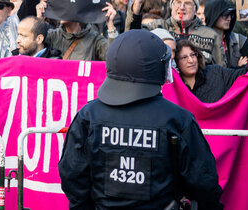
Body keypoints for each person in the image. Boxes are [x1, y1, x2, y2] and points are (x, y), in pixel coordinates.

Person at [59, 30, 223, 209]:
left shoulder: (88, 115)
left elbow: (72, 175)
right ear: (158, 68)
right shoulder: (178, 119)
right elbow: (203, 182)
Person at [127, 0, 225, 66]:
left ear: (195, 9)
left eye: (187, 3)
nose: (182, 7)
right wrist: (138, 4)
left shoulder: (211, 35)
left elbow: (220, 70)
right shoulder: (156, 27)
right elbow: (131, 38)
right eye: (177, 3)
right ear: (171, 6)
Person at [175, 39, 248, 103]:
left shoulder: (215, 72)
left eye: (193, 55)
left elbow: (243, 74)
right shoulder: (174, 89)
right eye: (184, 57)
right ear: (176, 62)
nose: (191, 60)